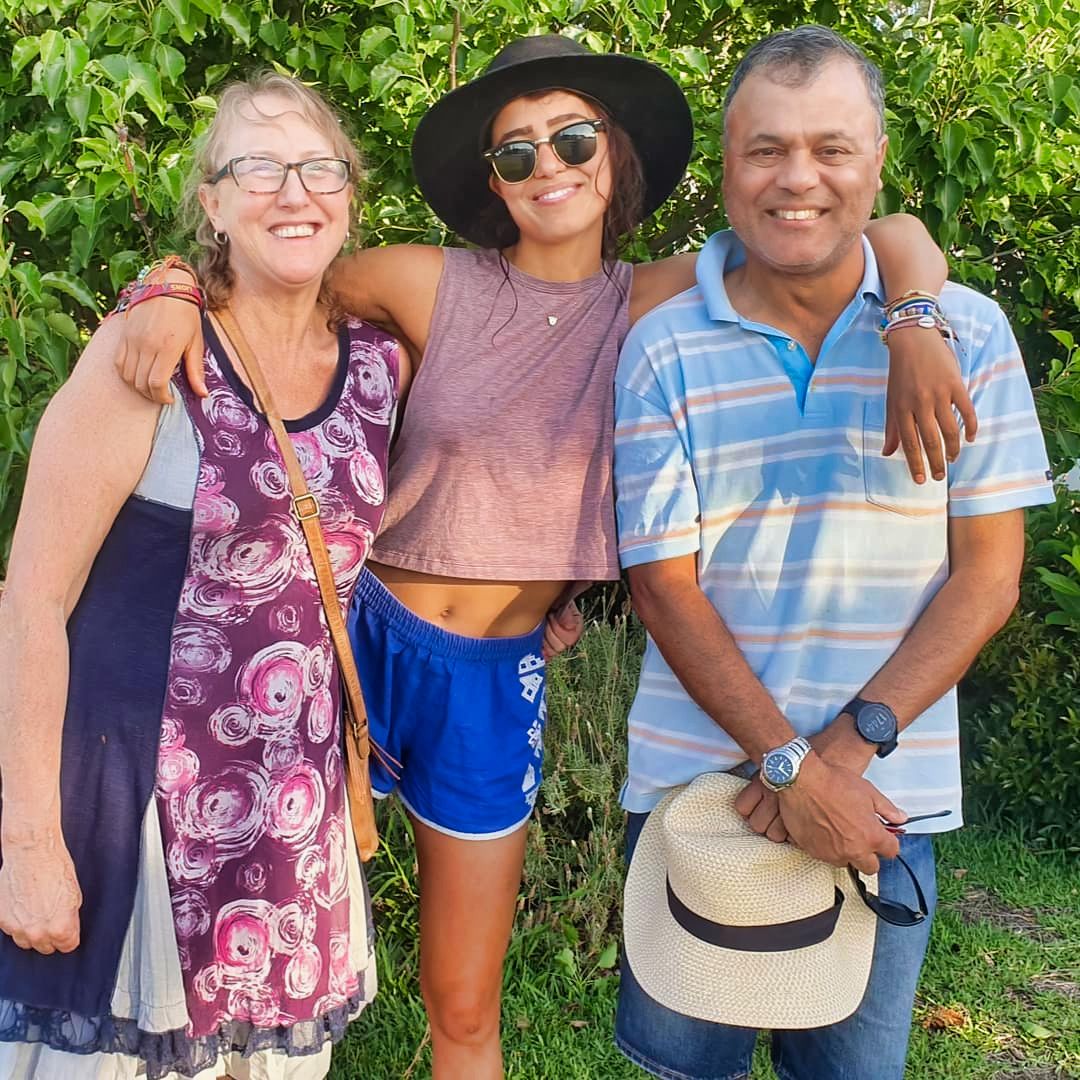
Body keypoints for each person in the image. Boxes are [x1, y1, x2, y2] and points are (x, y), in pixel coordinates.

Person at [107, 36, 971, 1079]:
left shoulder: (660, 298)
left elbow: (884, 232)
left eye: (572, 140)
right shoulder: (427, 281)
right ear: (493, 181)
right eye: (516, 152)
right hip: (353, 644)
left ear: (615, 156)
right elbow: (270, 272)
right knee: (238, 945)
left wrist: (913, 321)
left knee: (464, 999)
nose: (547, 166)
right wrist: (165, 286)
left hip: (492, 677)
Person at [612, 25, 1055, 1080]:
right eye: (766, 148)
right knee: (684, 1070)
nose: (797, 177)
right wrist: (788, 765)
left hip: (879, 801)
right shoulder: (663, 345)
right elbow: (663, 588)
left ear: (878, 162)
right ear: (727, 167)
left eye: (832, 148)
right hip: (696, 794)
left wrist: (837, 763)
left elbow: (988, 576)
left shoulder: (968, 335)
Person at [0, 74, 410, 1079]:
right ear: (213, 202)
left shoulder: (382, 366)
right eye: (258, 168)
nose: (294, 192)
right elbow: (32, 604)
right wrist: (29, 843)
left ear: (350, 194)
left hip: (290, 818)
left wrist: (551, 597)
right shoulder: (145, 361)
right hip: (130, 809)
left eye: (319, 168)